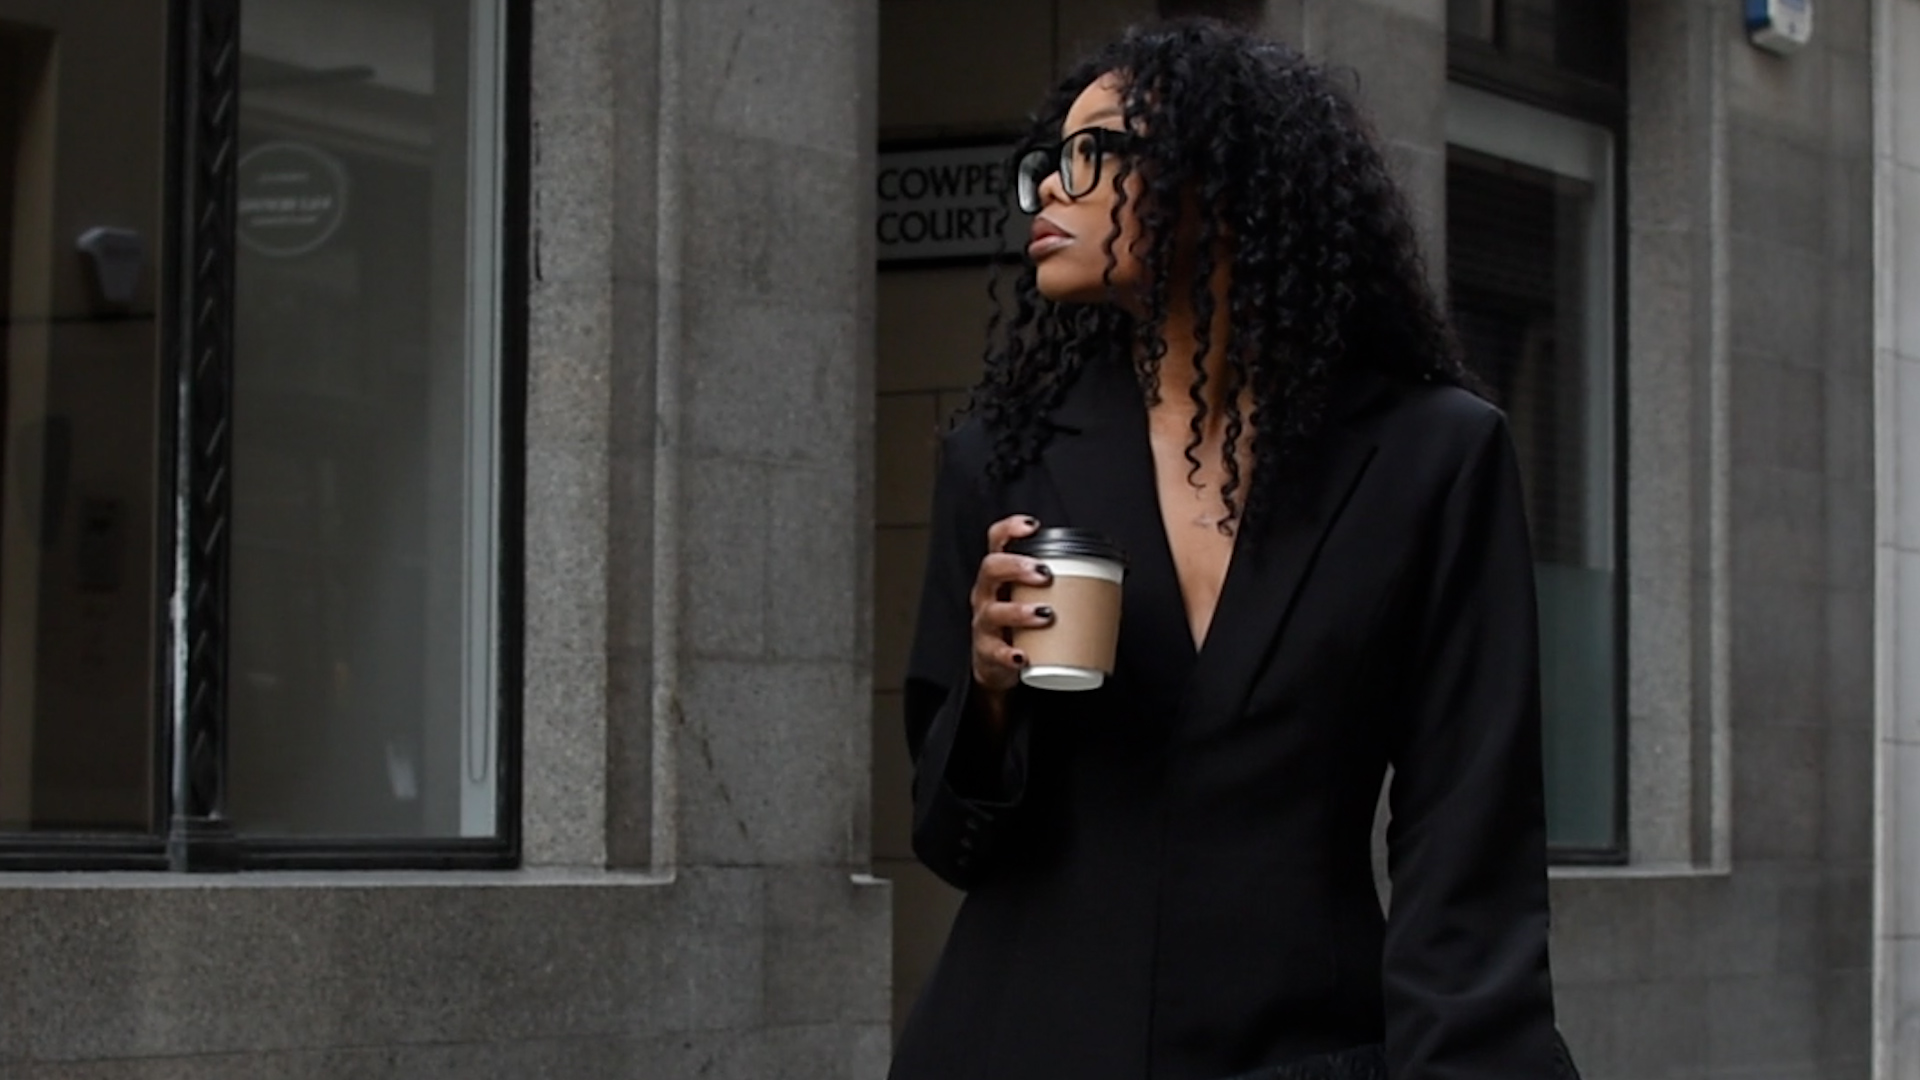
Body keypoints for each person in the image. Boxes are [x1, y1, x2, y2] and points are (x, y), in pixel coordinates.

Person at [891, 18, 1578, 1080]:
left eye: (1089, 155)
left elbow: (1468, 842)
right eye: (1043, 163)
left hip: (1301, 1050)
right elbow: (952, 844)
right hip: (1017, 1044)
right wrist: (990, 692)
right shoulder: (1003, 458)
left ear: (1220, 180)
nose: (1045, 194)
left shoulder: (1430, 458)